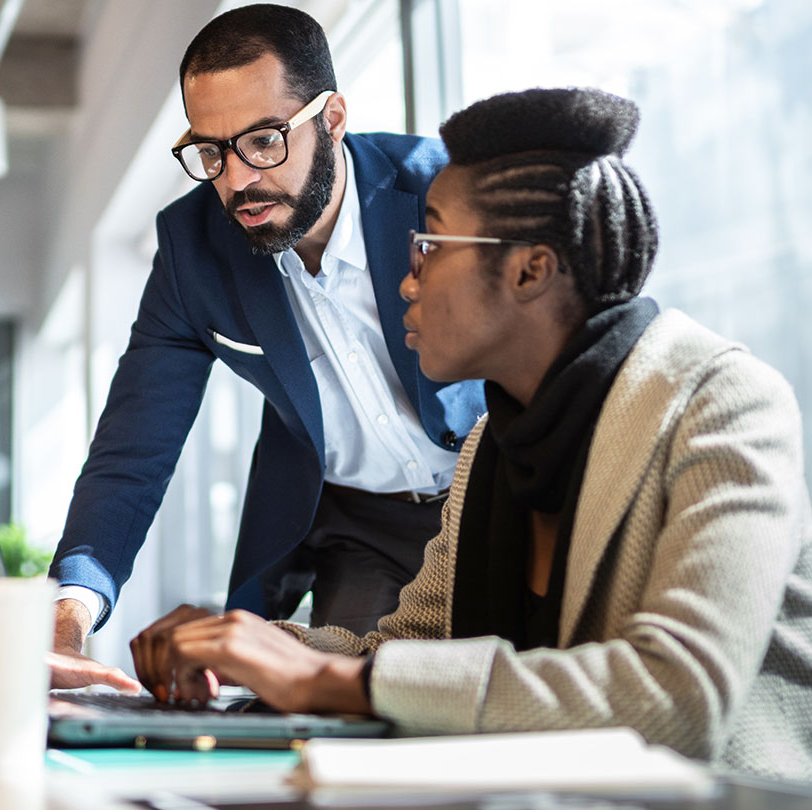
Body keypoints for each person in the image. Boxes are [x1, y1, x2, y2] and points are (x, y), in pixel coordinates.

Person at [128, 87, 812, 780]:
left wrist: (326, 681)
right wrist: (251, 645)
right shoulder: (493, 447)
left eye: (428, 243)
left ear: (529, 269)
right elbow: (406, 651)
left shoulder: (723, 404)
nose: (405, 280)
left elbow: (675, 699)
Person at [44, 2, 485, 692]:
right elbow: (132, 453)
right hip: (356, 528)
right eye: (212, 150)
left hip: (488, 493)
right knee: (337, 724)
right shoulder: (193, 250)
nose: (238, 179)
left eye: (264, 140)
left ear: (331, 119)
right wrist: (66, 623)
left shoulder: (440, 189)